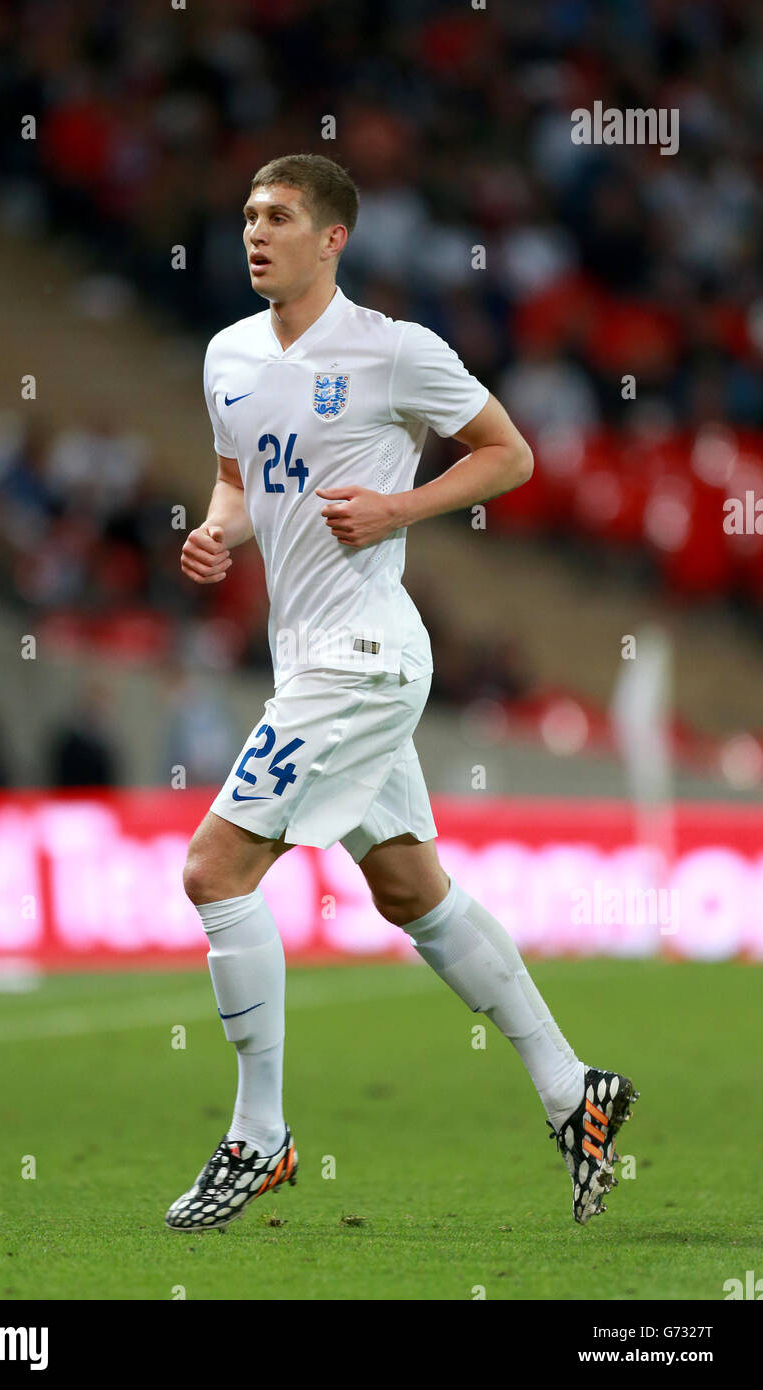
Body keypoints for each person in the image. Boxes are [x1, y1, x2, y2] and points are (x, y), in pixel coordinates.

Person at [167, 154, 638, 1235]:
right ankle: (575, 1090)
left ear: (332, 238)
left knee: (213, 866)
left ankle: (260, 1133)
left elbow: (507, 454)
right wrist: (212, 533)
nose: (255, 232)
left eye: (278, 216)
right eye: (245, 214)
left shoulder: (393, 352)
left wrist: (399, 507)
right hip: (310, 658)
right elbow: (241, 483)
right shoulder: (227, 355)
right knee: (409, 888)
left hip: (365, 653)